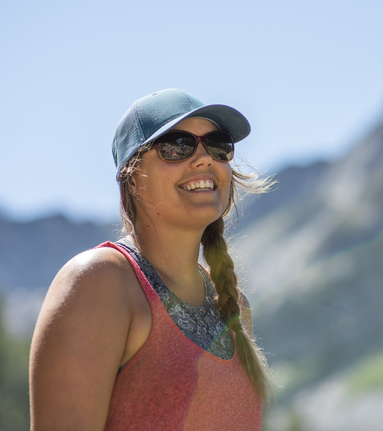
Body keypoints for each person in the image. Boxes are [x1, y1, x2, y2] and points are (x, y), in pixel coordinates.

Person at [29, 89, 273, 430]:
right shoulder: (100, 282)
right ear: (132, 176)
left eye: (218, 145)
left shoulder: (233, 306)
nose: (204, 159)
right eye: (177, 145)